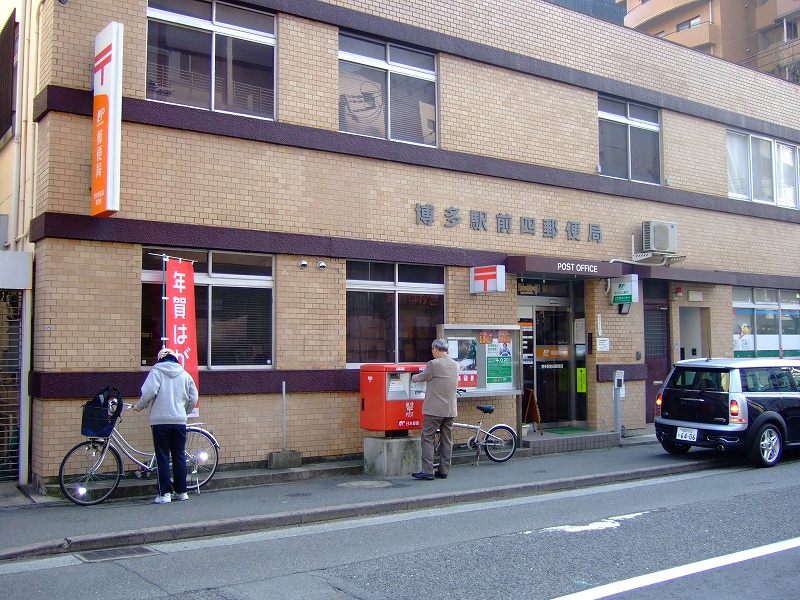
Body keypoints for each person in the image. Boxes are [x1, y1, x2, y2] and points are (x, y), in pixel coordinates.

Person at [132, 347, 199, 504]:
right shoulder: (185, 374)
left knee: (162, 457)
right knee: (179, 455)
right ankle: (182, 492)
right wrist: (184, 412)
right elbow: (193, 397)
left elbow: (148, 392)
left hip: (160, 422)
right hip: (179, 422)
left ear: (159, 359)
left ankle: (165, 495)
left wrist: (140, 406)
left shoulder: (156, 372)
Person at [411, 338, 460, 481]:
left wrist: (413, 377)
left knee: (427, 437)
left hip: (434, 410)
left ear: (436, 349)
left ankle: (427, 470)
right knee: (446, 440)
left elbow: (423, 377)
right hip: (450, 409)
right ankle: (444, 470)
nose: (432, 352)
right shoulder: (455, 364)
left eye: (433, 349)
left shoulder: (434, 364)